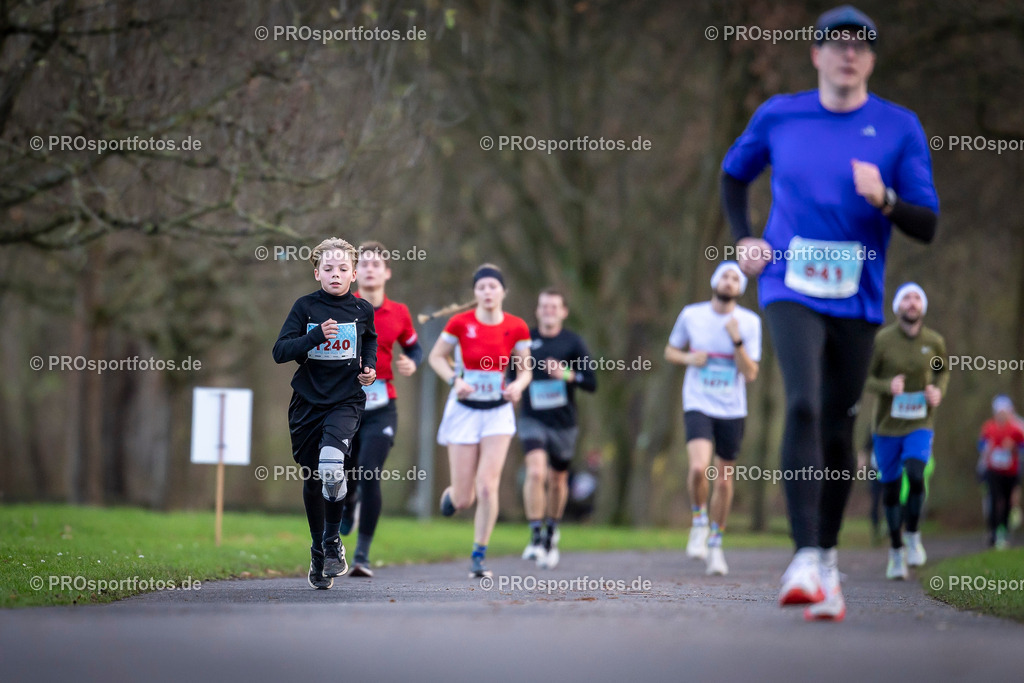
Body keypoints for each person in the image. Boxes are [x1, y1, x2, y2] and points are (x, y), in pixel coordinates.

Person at [720, 4, 939, 621]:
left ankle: (829, 559)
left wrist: (885, 198)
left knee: (840, 428)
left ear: (871, 60)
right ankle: (804, 557)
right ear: (815, 54)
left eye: (860, 46)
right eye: (836, 44)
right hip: (788, 284)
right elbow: (733, 176)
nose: (848, 54)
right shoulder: (779, 115)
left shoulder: (899, 127)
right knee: (803, 404)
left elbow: (926, 223)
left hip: (858, 297)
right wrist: (743, 238)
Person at [272, 237, 377, 589]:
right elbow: (280, 352)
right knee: (313, 478)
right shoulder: (305, 307)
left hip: (345, 401)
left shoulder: (362, 310)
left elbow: (370, 339)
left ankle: (333, 542)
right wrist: (314, 336)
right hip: (307, 403)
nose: (335, 274)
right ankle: (318, 551)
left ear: (354, 274)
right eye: (328, 268)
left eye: (343, 269)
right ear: (317, 273)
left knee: (332, 468)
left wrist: (369, 367)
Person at [429, 264, 532, 578]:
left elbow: (526, 369)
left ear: (503, 291)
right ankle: (452, 495)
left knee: (487, 487)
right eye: (482, 287)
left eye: (493, 286)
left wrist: (518, 386)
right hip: (464, 410)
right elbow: (436, 357)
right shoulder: (460, 323)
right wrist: (454, 380)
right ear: (475, 293)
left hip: (497, 413)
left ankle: (479, 555)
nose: (487, 292)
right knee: (465, 499)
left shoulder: (516, 326)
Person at [665, 262, 761, 576]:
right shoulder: (692, 315)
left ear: (740, 288)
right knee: (698, 468)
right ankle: (698, 522)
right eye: (725, 276)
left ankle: (716, 544)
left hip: (732, 408)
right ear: (715, 281)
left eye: (736, 278)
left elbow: (750, 373)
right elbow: (670, 351)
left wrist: (736, 341)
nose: (730, 281)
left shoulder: (749, 322)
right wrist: (689, 357)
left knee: (723, 480)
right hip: (698, 401)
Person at [336, 241, 422, 577]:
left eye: (376, 264)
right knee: (343, 472)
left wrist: (412, 362)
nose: (370, 270)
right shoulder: (343, 307)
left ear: (387, 272)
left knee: (369, 472)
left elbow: (414, 348)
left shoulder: (399, 312)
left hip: (382, 407)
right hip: (345, 404)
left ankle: (362, 556)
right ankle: (348, 503)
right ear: (355, 273)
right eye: (364, 264)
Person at [863, 283, 947, 579]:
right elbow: (866, 376)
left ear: (922, 307)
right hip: (887, 426)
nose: (912, 303)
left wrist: (938, 390)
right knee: (890, 489)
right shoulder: (883, 340)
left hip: (920, 423)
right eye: (907, 298)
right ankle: (896, 552)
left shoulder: (934, 342)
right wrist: (887, 386)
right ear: (898, 306)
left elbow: (942, 370)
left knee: (915, 473)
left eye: (917, 298)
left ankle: (912, 534)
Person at [517, 288, 597, 569]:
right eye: (544, 306)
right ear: (537, 311)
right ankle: (535, 534)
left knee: (558, 480)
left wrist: (566, 374)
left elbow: (591, 382)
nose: (548, 311)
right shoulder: (525, 340)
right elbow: (511, 374)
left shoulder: (573, 342)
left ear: (563, 312)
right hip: (532, 418)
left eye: (554, 307)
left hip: (564, 423)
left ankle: (551, 531)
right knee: (536, 472)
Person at [979, 396, 1024, 549]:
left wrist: (1013, 447)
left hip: (1010, 472)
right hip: (993, 470)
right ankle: (993, 532)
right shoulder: (989, 427)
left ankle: (1003, 530)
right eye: (999, 412)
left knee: (1007, 503)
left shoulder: (1016, 428)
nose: (1002, 415)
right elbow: (981, 445)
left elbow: (1022, 447)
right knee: (994, 499)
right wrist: (988, 448)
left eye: (1004, 412)